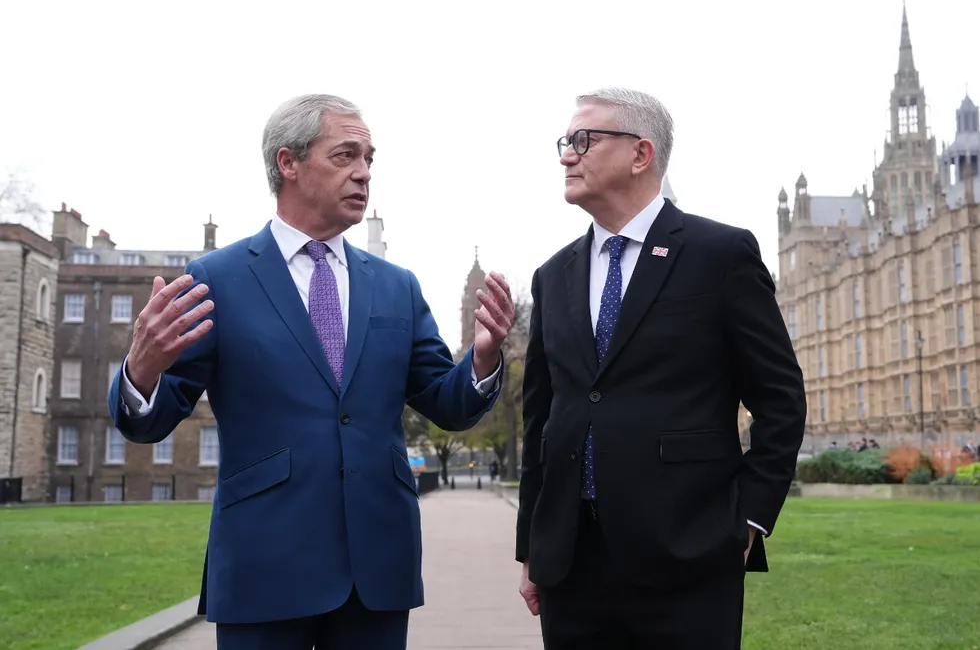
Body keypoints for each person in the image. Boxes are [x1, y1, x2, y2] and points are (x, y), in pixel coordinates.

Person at [108, 94, 514, 650]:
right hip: (263, 566)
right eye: (345, 155)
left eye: (370, 158)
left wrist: (484, 359)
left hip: (378, 567)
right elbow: (147, 422)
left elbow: (447, 403)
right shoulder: (216, 279)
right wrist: (142, 369)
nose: (364, 173)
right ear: (288, 163)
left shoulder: (398, 286)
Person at [515, 87, 806, 649]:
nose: (566, 155)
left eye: (583, 140)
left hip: (689, 559)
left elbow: (780, 398)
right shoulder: (552, 276)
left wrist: (748, 519)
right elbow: (541, 422)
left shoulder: (720, 254)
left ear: (640, 154)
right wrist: (532, 544)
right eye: (565, 142)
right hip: (571, 568)